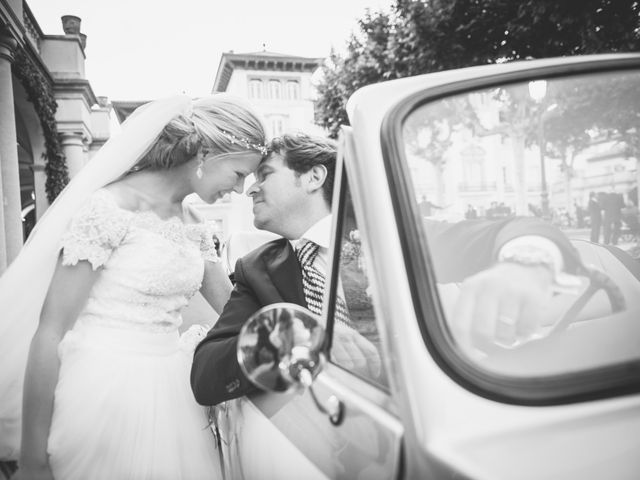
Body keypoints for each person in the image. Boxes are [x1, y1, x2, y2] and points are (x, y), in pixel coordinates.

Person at [190, 133, 580, 406]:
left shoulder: (390, 234)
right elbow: (206, 375)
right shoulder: (256, 268)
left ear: (313, 176)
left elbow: (515, 230)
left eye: (266, 175)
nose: (251, 190)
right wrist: (292, 333)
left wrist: (525, 265)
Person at [0, 94, 267, 479]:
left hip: (173, 392)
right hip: (102, 392)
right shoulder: (109, 207)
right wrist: (32, 459)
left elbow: (231, 305)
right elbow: (50, 331)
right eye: (239, 174)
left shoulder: (193, 221)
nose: (241, 189)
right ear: (206, 153)